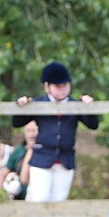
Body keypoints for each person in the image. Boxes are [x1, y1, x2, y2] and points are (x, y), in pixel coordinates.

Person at [13, 62, 97, 202]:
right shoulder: (38, 103)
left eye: (65, 85)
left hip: (65, 160)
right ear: (47, 87)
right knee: (40, 199)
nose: (62, 89)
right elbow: (17, 123)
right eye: (58, 86)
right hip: (42, 159)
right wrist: (21, 106)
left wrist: (89, 107)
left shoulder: (75, 104)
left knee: (59, 201)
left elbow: (93, 125)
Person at [0, 121, 38, 200]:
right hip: (19, 197)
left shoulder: (45, 151)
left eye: (34, 130)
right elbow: (3, 173)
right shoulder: (18, 150)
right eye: (28, 130)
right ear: (24, 132)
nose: (32, 134)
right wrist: (0, 194)